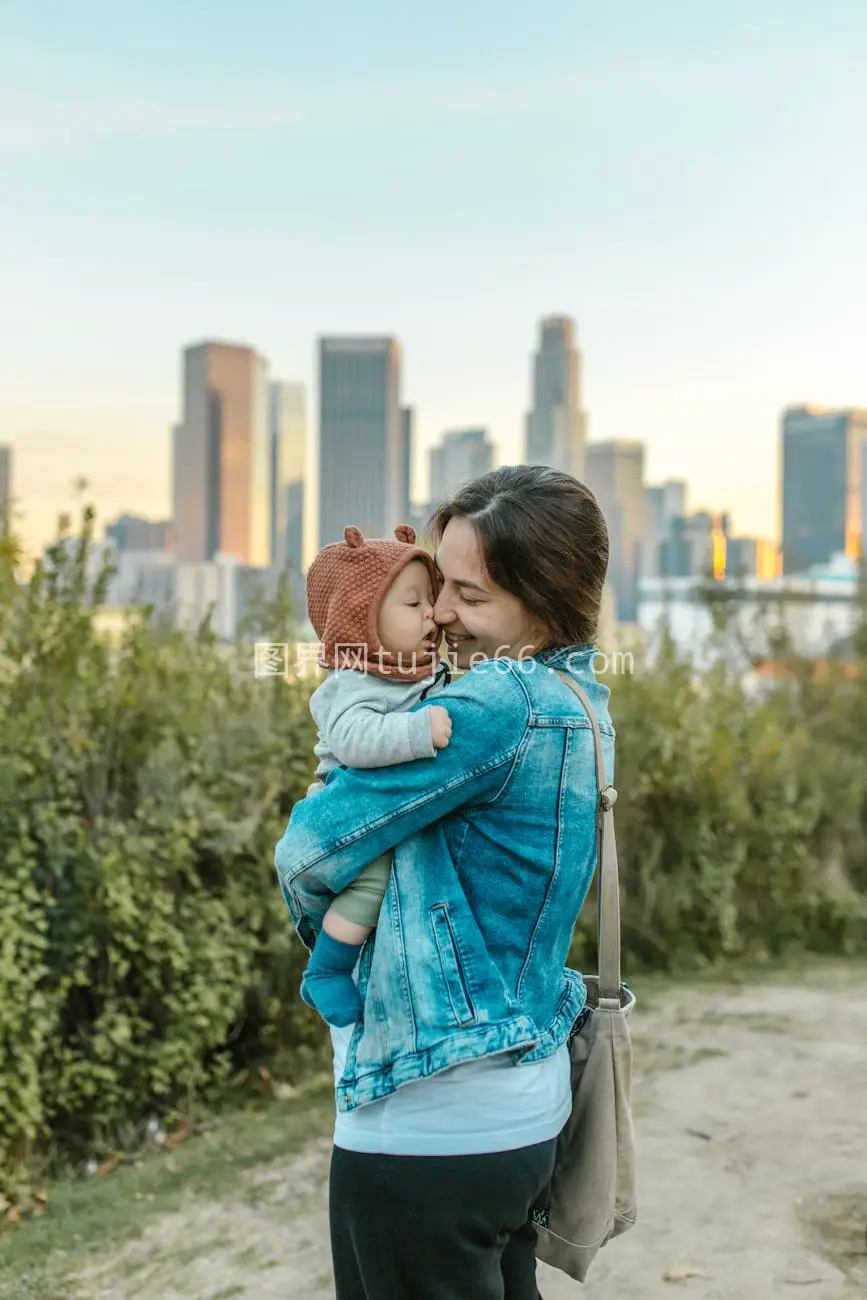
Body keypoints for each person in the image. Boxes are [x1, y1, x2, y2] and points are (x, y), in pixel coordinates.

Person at [275, 465, 612, 1300]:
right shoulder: (580, 699)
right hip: (521, 1108)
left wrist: (340, 934)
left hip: (428, 1116)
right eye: (438, 585)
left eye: (469, 592)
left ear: (540, 600)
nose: (442, 614)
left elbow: (308, 854)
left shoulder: (492, 708)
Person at [300, 523, 453, 1027]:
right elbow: (353, 740)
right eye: (413, 605)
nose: (430, 613)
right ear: (360, 620)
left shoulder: (411, 666)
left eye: (429, 600)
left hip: (383, 806)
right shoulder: (354, 680)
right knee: (371, 884)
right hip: (347, 807)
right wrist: (417, 731)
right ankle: (325, 970)